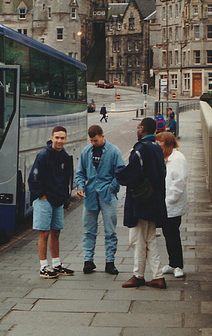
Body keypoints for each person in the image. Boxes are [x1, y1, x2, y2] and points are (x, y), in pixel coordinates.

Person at [115, 117, 168, 289]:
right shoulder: (157, 149)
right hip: (155, 201)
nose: (137, 131)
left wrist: (118, 172)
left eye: (138, 128)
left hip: (141, 201)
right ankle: (158, 275)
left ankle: (138, 275)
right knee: (150, 238)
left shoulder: (141, 149)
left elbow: (132, 174)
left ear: (142, 129)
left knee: (137, 239)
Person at [75, 124, 124, 275]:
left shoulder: (114, 151)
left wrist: (112, 188)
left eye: (95, 140)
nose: (93, 143)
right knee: (88, 230)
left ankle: (110, 262)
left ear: (103, 136)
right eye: (91, 141)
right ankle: (88, 261)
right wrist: (80, 186)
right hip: (90, 195)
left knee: (110, 231)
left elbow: (120, 172)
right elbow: (80, 172)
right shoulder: (86, 151)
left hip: (107, 195)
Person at [28, 126, 75, 279]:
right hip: (44, 200)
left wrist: (65, 196)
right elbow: (33, 178)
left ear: (66, 139)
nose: (59, 140)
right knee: (44, 233)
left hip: (58, 200)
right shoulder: (42, 156)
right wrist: (41, 195)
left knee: (56, 232)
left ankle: (56, 264)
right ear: (52, 137)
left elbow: (67, 178)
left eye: (62, 138)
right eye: (57, 137)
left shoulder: (65, 157)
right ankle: (43, 267)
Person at [156, 132, 188, 278]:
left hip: (172, 205)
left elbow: (179, 182)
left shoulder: (178, 158)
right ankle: (172, 263)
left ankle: (178, 265)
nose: (158, 144)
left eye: (160, 142)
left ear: (168, 143)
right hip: (165, 205)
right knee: (168, 234)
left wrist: (169, 200)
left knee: (173, 235)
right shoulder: (164, 158)